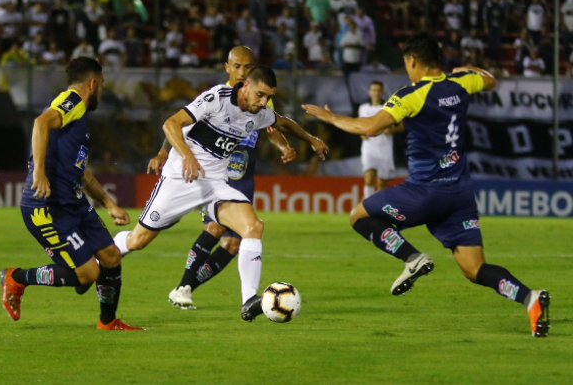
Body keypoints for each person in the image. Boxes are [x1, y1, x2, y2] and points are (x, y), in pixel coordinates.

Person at [303, 32, 550, 337]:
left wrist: (331, 118)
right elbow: (489, 79)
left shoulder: (411, 95)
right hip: (459, 193)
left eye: (406, 63)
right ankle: (530, 298)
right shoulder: (461, 83)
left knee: (359, 216)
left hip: (424, 191)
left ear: (413, 61)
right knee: (475, 269)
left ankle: (412, 258)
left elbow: (369, 127)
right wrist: (465, 69)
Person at [113, 66, 327, 322]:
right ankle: (106, 251)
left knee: (253, 226)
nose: (263, 102)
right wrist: (188, 157)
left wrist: (311, 139)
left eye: (268, 96)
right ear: (246, 85)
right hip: (181, 180)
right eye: (260, 94)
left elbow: (283, 123)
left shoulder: (259, 112)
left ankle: (249, 300)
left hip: (215, 184)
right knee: (138, 241)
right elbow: (171, 124)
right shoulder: (217, 98)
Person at [0, 57, 143, 331]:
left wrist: (108, 202)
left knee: (111, 256)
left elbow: (80, 171)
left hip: (74, 203)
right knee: (88, 273)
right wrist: (39, 172)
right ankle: (15, 278)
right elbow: (41, 123)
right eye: (101, 84)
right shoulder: (74, 101)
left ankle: (108, 321)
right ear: (92, 83)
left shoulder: (75, 119)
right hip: (48, 206)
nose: (101, 90)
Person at [358, 81, 402, 198]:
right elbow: (359, 125)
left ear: (382, 92)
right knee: (368, 178)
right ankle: (367, 206)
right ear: (369, 92)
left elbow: (402, 126)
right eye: (373, 90)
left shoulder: (388, 107)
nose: (376, 93)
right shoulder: (363, 108)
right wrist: (361, 133)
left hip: (384, 149)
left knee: (382, 183)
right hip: (369, 147)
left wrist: (391, 130)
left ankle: (378, 208)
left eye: (378, 90)